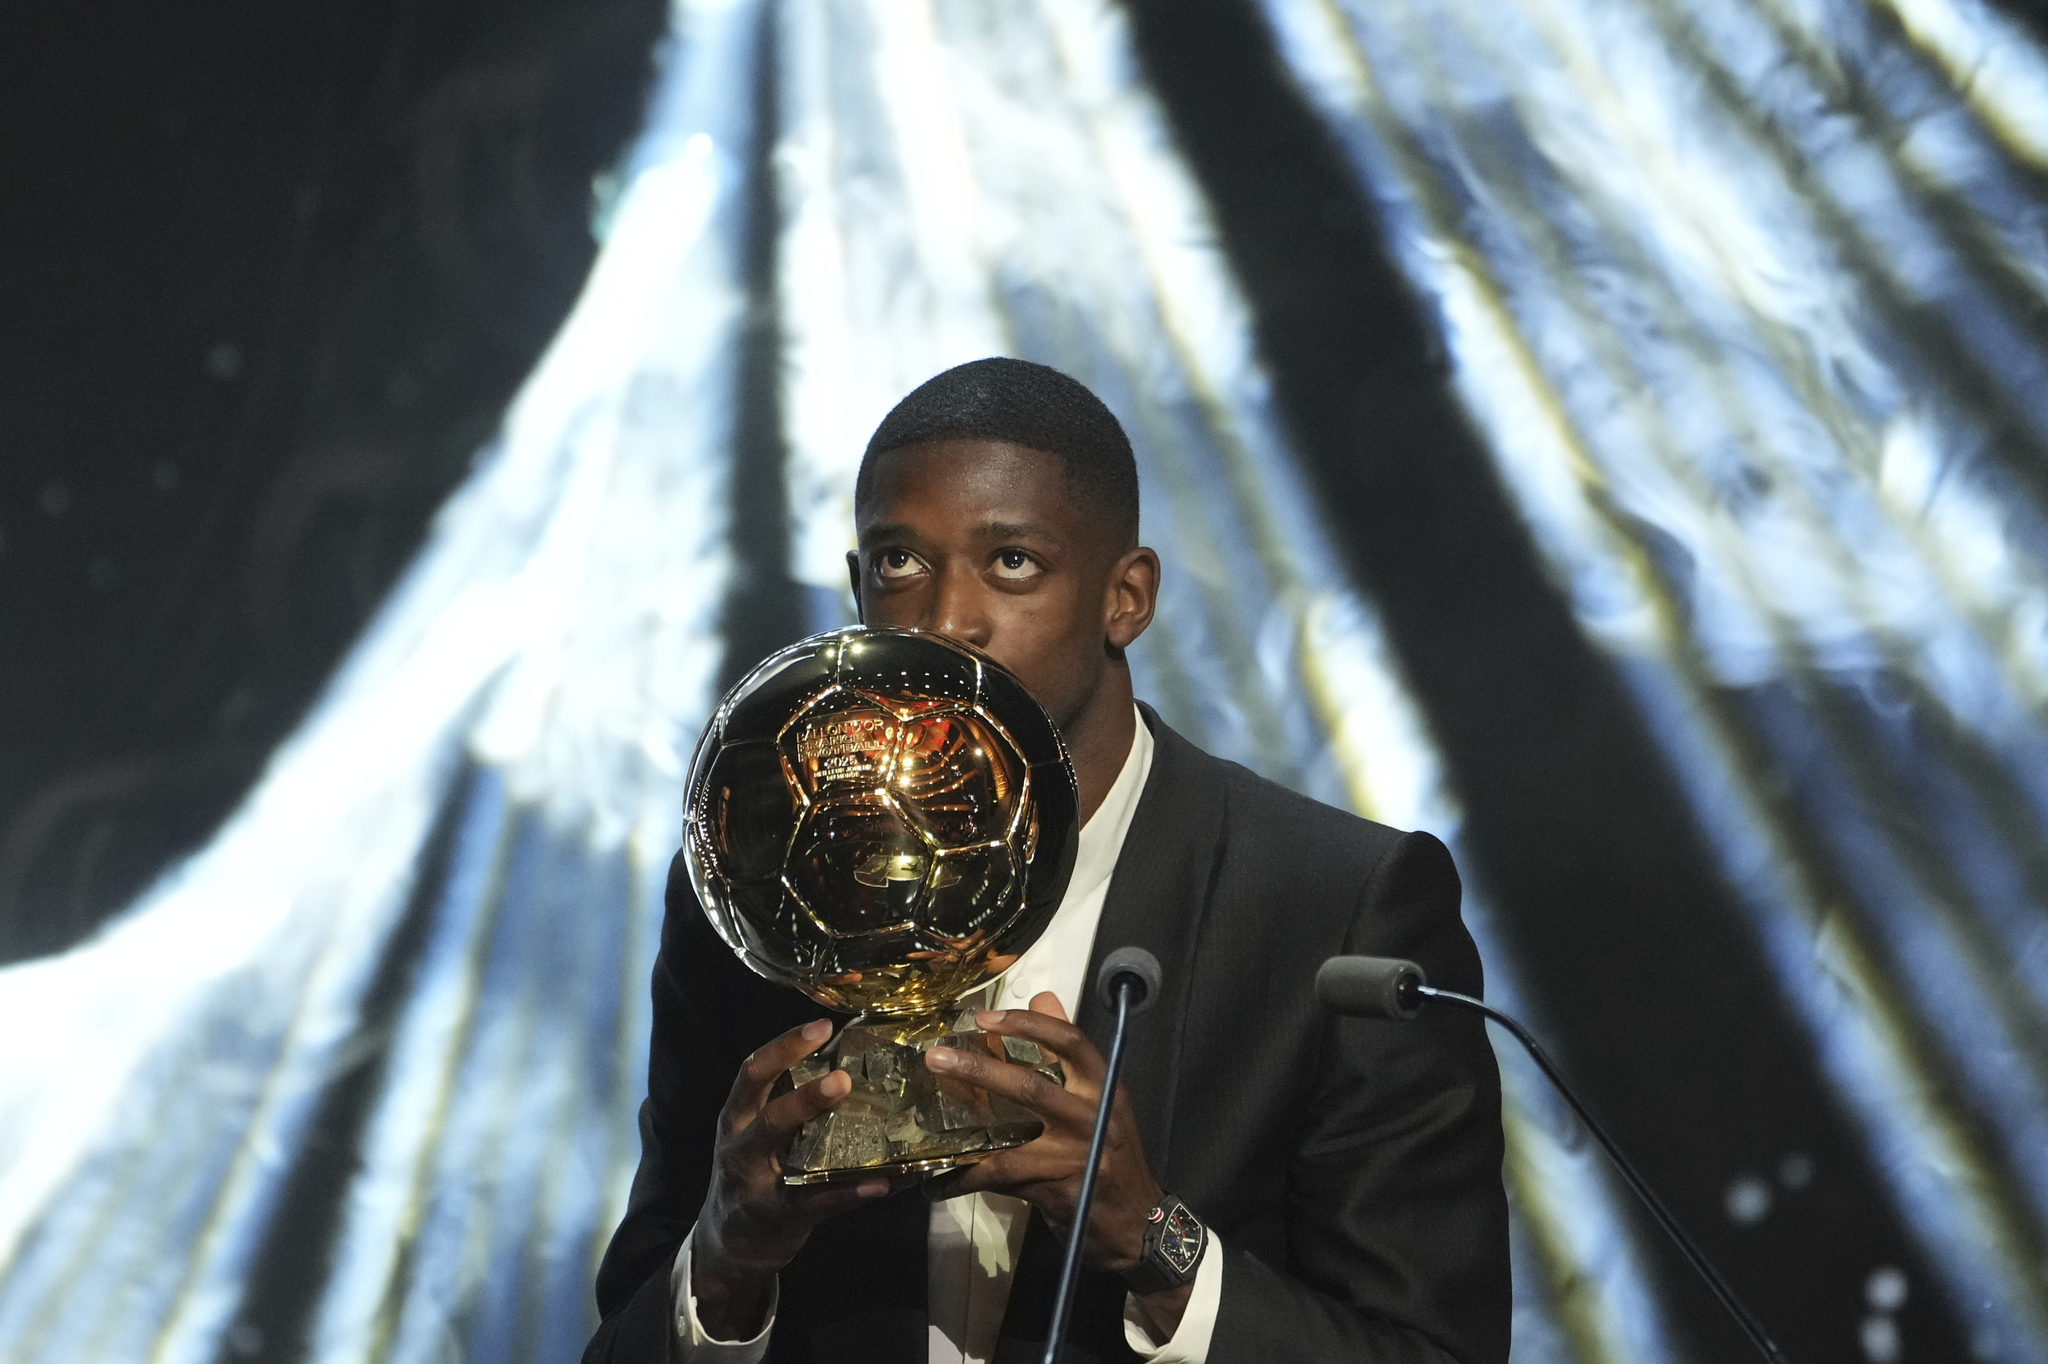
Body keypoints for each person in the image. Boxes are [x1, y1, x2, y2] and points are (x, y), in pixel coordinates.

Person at [584, 358, 1509, 1363]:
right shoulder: (756, 902)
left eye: (1011, 562)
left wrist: (1151, 1240)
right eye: (898, 561)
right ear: (856, 589)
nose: (945, 621)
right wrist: (726, 1258)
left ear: (1126, 595)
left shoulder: (1336, 908)